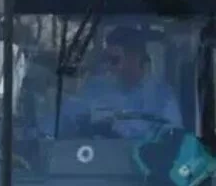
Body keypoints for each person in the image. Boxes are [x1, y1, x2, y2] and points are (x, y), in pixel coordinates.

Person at [45, 27, 182, 140]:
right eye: (106, 59)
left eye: (114, 60)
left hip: (139, 169)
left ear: (135, 58)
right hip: (92, 165)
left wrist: (117, 128)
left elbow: (173, 140)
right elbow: (63, 119)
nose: (109, 67)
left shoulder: (162, 97)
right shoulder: (95, 88)